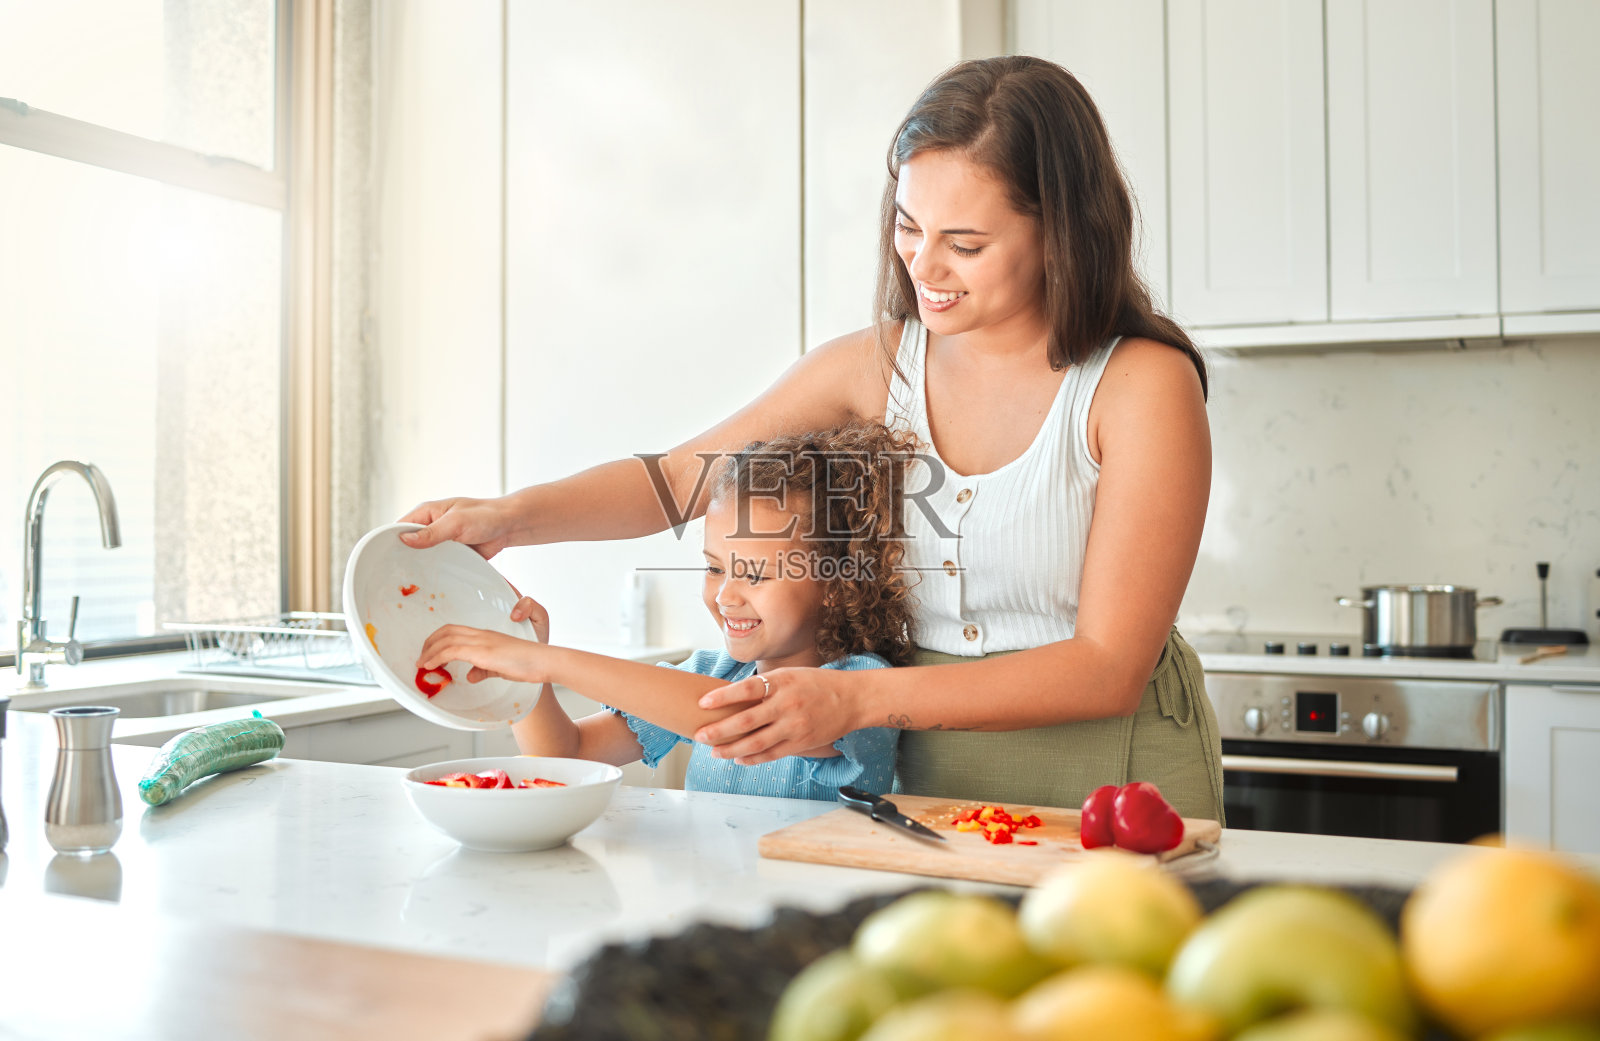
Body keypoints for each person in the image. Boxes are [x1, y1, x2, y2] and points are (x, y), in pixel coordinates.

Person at [402, 55, 1224, 821]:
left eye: (964, 244)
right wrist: (508, 517)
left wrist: (857, 701)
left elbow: (1108, 665)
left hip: (1115, 771)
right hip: (926, 770)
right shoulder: (873, 366)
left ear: (1062, 232)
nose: (923, 267)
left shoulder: (1141, 385)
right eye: (908, 227)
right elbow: (677, 480)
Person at [414, 424, 917, 802]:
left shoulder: (863, 688)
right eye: (714, 568)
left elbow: (745, 718)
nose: (725, 595)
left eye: (756, 575)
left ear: (835, 584)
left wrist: (548, 661)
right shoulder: (710, 674)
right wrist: (529, 671)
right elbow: (565, 755)